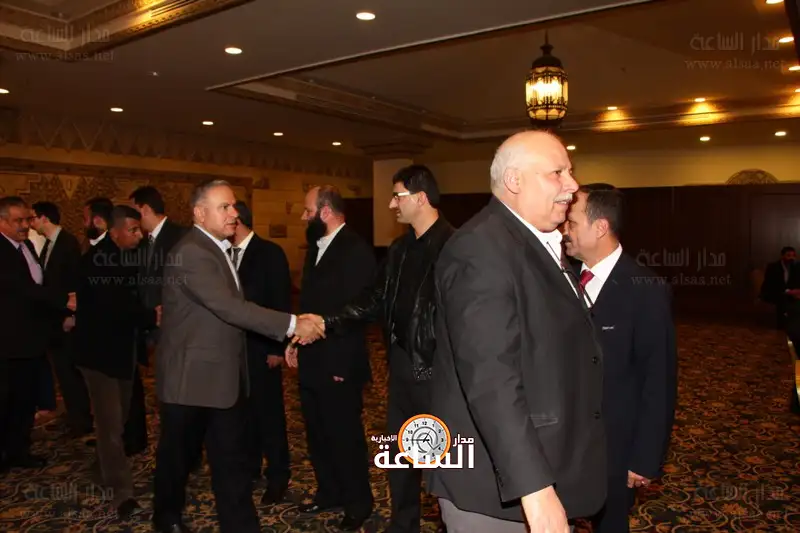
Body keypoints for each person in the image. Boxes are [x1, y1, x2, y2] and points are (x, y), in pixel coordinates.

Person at [427, 131, 606, 532]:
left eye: (570, 172)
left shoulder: (529, 239)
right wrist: (535, 489)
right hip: (494, 491)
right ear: (514, 180)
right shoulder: (480, 248)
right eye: (557, 173)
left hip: (539, 465)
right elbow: (491, 380)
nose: (572, 185)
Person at [151, 179, 323, 533]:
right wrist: (293, 324)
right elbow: (230, 308)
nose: (234, 213)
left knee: (231, 463)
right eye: (224, 207)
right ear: (200, 213)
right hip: (189, 381)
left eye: (233, 206)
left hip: (222, 379)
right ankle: (165, 519)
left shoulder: (217, 248)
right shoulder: (193, 252)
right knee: (176, 461)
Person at [301, 165, 454, 533]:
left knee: (442, 459)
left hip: (437, 370)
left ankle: (452, 523)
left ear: (420, 198)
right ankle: (403, 525)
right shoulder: (400, 248)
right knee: (400, 455)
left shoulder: (454, 246)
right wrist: (326, 321)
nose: (391, 204)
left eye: (397, 196)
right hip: (401, 366)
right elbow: (373, 299)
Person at [563, 183, 677, 533]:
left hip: (615, 446)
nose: (564, 230)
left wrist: (645, 458)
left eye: (572, 222)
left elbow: (658, 381)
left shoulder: (645, 289)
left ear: (600, 227)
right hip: (565, 442)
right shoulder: (562, 278)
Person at [286, 185, 376, 531]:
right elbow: (311, 306)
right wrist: (295, 342)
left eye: (308, 211)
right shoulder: (315, 248)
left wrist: (340, 365)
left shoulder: (355, 249)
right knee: (318, 433)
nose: (303, 217)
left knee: (344, 437)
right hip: (313, 359)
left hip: (339, 362)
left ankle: (358, 502)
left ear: (325, 212)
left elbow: (357, 313)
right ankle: (329, 491)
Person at [74, 205, 159, 519]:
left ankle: (103, 466)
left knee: (119, 421)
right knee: (110, 425)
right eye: (133, 230)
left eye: (139, 230)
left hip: (121, 354)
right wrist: (152, 316)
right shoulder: (97, 262)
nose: (139, 236)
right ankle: (121, 494)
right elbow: (117, 309)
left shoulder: (124, 257)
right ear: (114, 232)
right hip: (98, 358)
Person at [0, 196, 75, 472]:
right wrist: (64, 301)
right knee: (6, 401)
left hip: (31, 340)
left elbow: (38, 284)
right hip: (8, 341)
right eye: (18, 221)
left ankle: (19, 451)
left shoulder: (27, 245)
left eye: (27, 219)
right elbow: (24, 288)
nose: (25, 225)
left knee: (24, 400)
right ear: (1, 222)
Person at [229, 200, 293, 504]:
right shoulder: (223, 254)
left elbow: (280, 302)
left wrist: (276, 348)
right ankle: (250, 466)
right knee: (242, 414)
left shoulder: (269, 253)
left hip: (262, 348)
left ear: (238, 220)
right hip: (233, 351)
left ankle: (278, 475)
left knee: (269, 416)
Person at [30, 201, 92, 437]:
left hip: (66, 320)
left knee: (70, 373)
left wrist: (71, 315)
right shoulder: (49, 244)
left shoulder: (67, 243)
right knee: (63, 373)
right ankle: (73, 415)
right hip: (53, 320)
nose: (30, 223)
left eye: (33, 218)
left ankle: (81, 421)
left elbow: (74, 283)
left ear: (44, 218)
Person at [760, 247, 796, 329]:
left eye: (793, 256)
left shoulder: (796, 267)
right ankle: (781, 326)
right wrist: (786, 291)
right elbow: (771, 283)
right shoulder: (773, 267)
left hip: (790, 293)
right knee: (783, 298)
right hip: (773, 292)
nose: (791, 258)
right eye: (788, 255)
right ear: (782, 256)